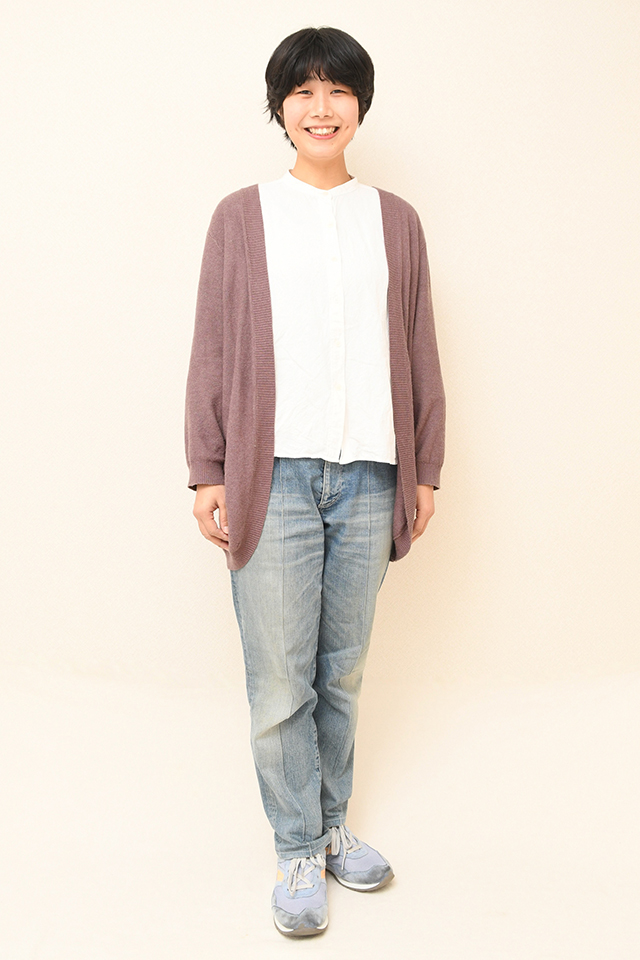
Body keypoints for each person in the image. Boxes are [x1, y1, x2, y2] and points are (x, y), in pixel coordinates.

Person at [185, 25, 445, 938]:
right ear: (280, 108)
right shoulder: (241, 216)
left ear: (360, 105)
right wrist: (208, 468)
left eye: (338, 91)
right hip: (274, 475)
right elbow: (214, 345)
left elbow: (417, 344)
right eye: (302, 91)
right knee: (279, 681)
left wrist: (425, 467)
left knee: (343, 672)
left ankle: (332, 828)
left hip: (372, 473)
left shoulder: (396, 220)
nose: (321, 108)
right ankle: (297, 846)